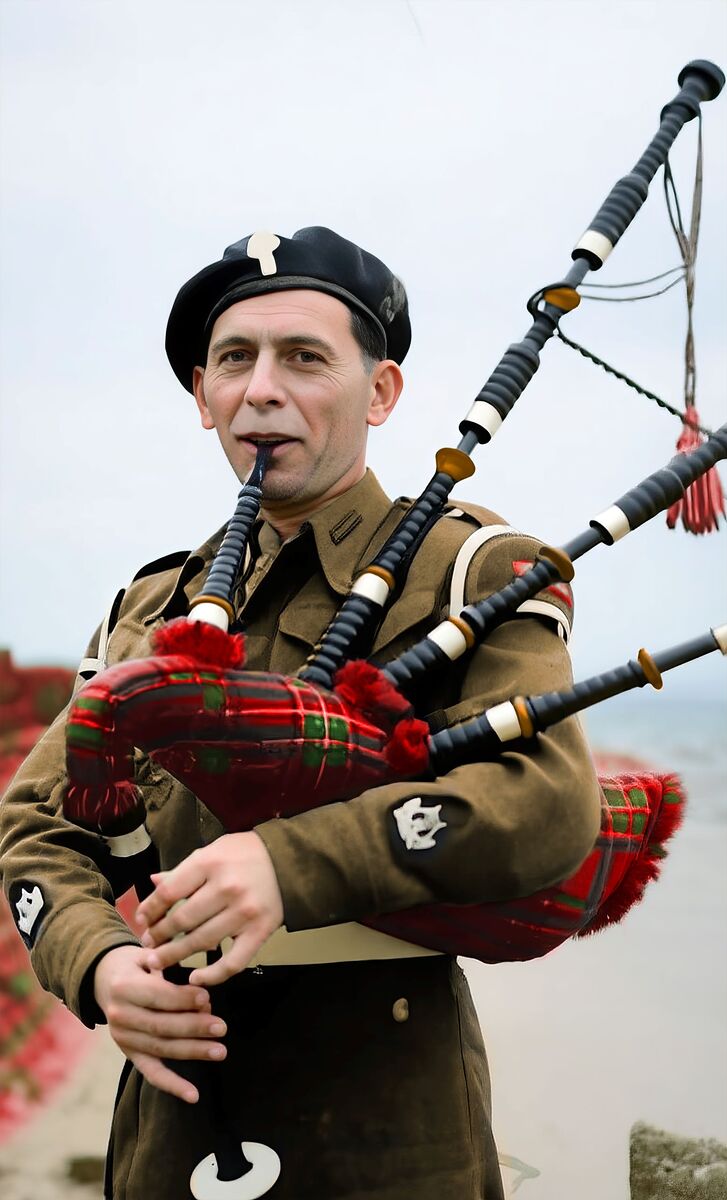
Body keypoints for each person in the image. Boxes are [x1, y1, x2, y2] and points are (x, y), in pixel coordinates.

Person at [0, 226, 601, 1199]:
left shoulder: (463, 573)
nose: (262, 390)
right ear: (204, 397)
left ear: (382, 392)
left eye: (304, 358)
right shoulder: (148, 609)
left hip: (388, 1124)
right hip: (171, 1120)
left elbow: (545, 801)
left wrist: (290, 863)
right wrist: (101, 966)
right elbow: (40, 826)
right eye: (234, 360)